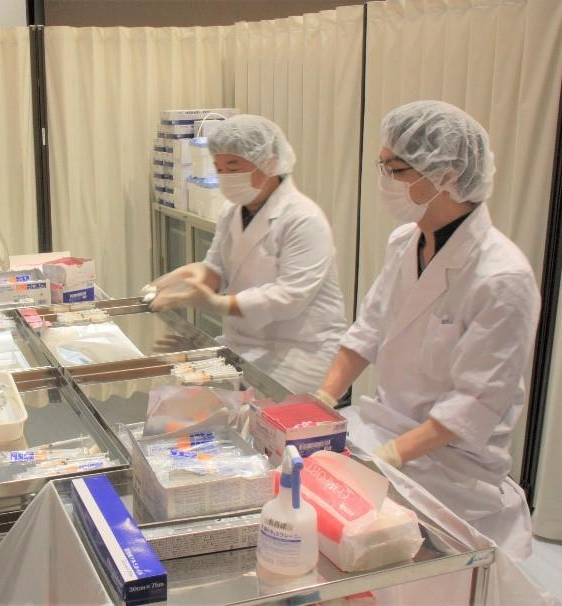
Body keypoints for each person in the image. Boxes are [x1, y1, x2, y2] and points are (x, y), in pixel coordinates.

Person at [316, 101, 539, 561]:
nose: (385, 181)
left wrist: (390, 458)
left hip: (453, 471)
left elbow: (473, 403)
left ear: (447, 175)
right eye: (383, 166)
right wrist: (321, 401)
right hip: (384, 431)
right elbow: (368, 330)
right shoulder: (405, 242)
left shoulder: (502, 276)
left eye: (397, 169)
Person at [149, 114, 347, 393]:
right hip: (243, 341)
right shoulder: (231, 211)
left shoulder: (303, 218)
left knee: (268, 417)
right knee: (199, 399)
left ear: (269, 163)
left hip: (299, 351)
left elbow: (290, 297)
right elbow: (217, 266)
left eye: (233, 166)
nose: (225, 176)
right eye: (218, 168)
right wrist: (191, 276)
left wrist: (218, 304)